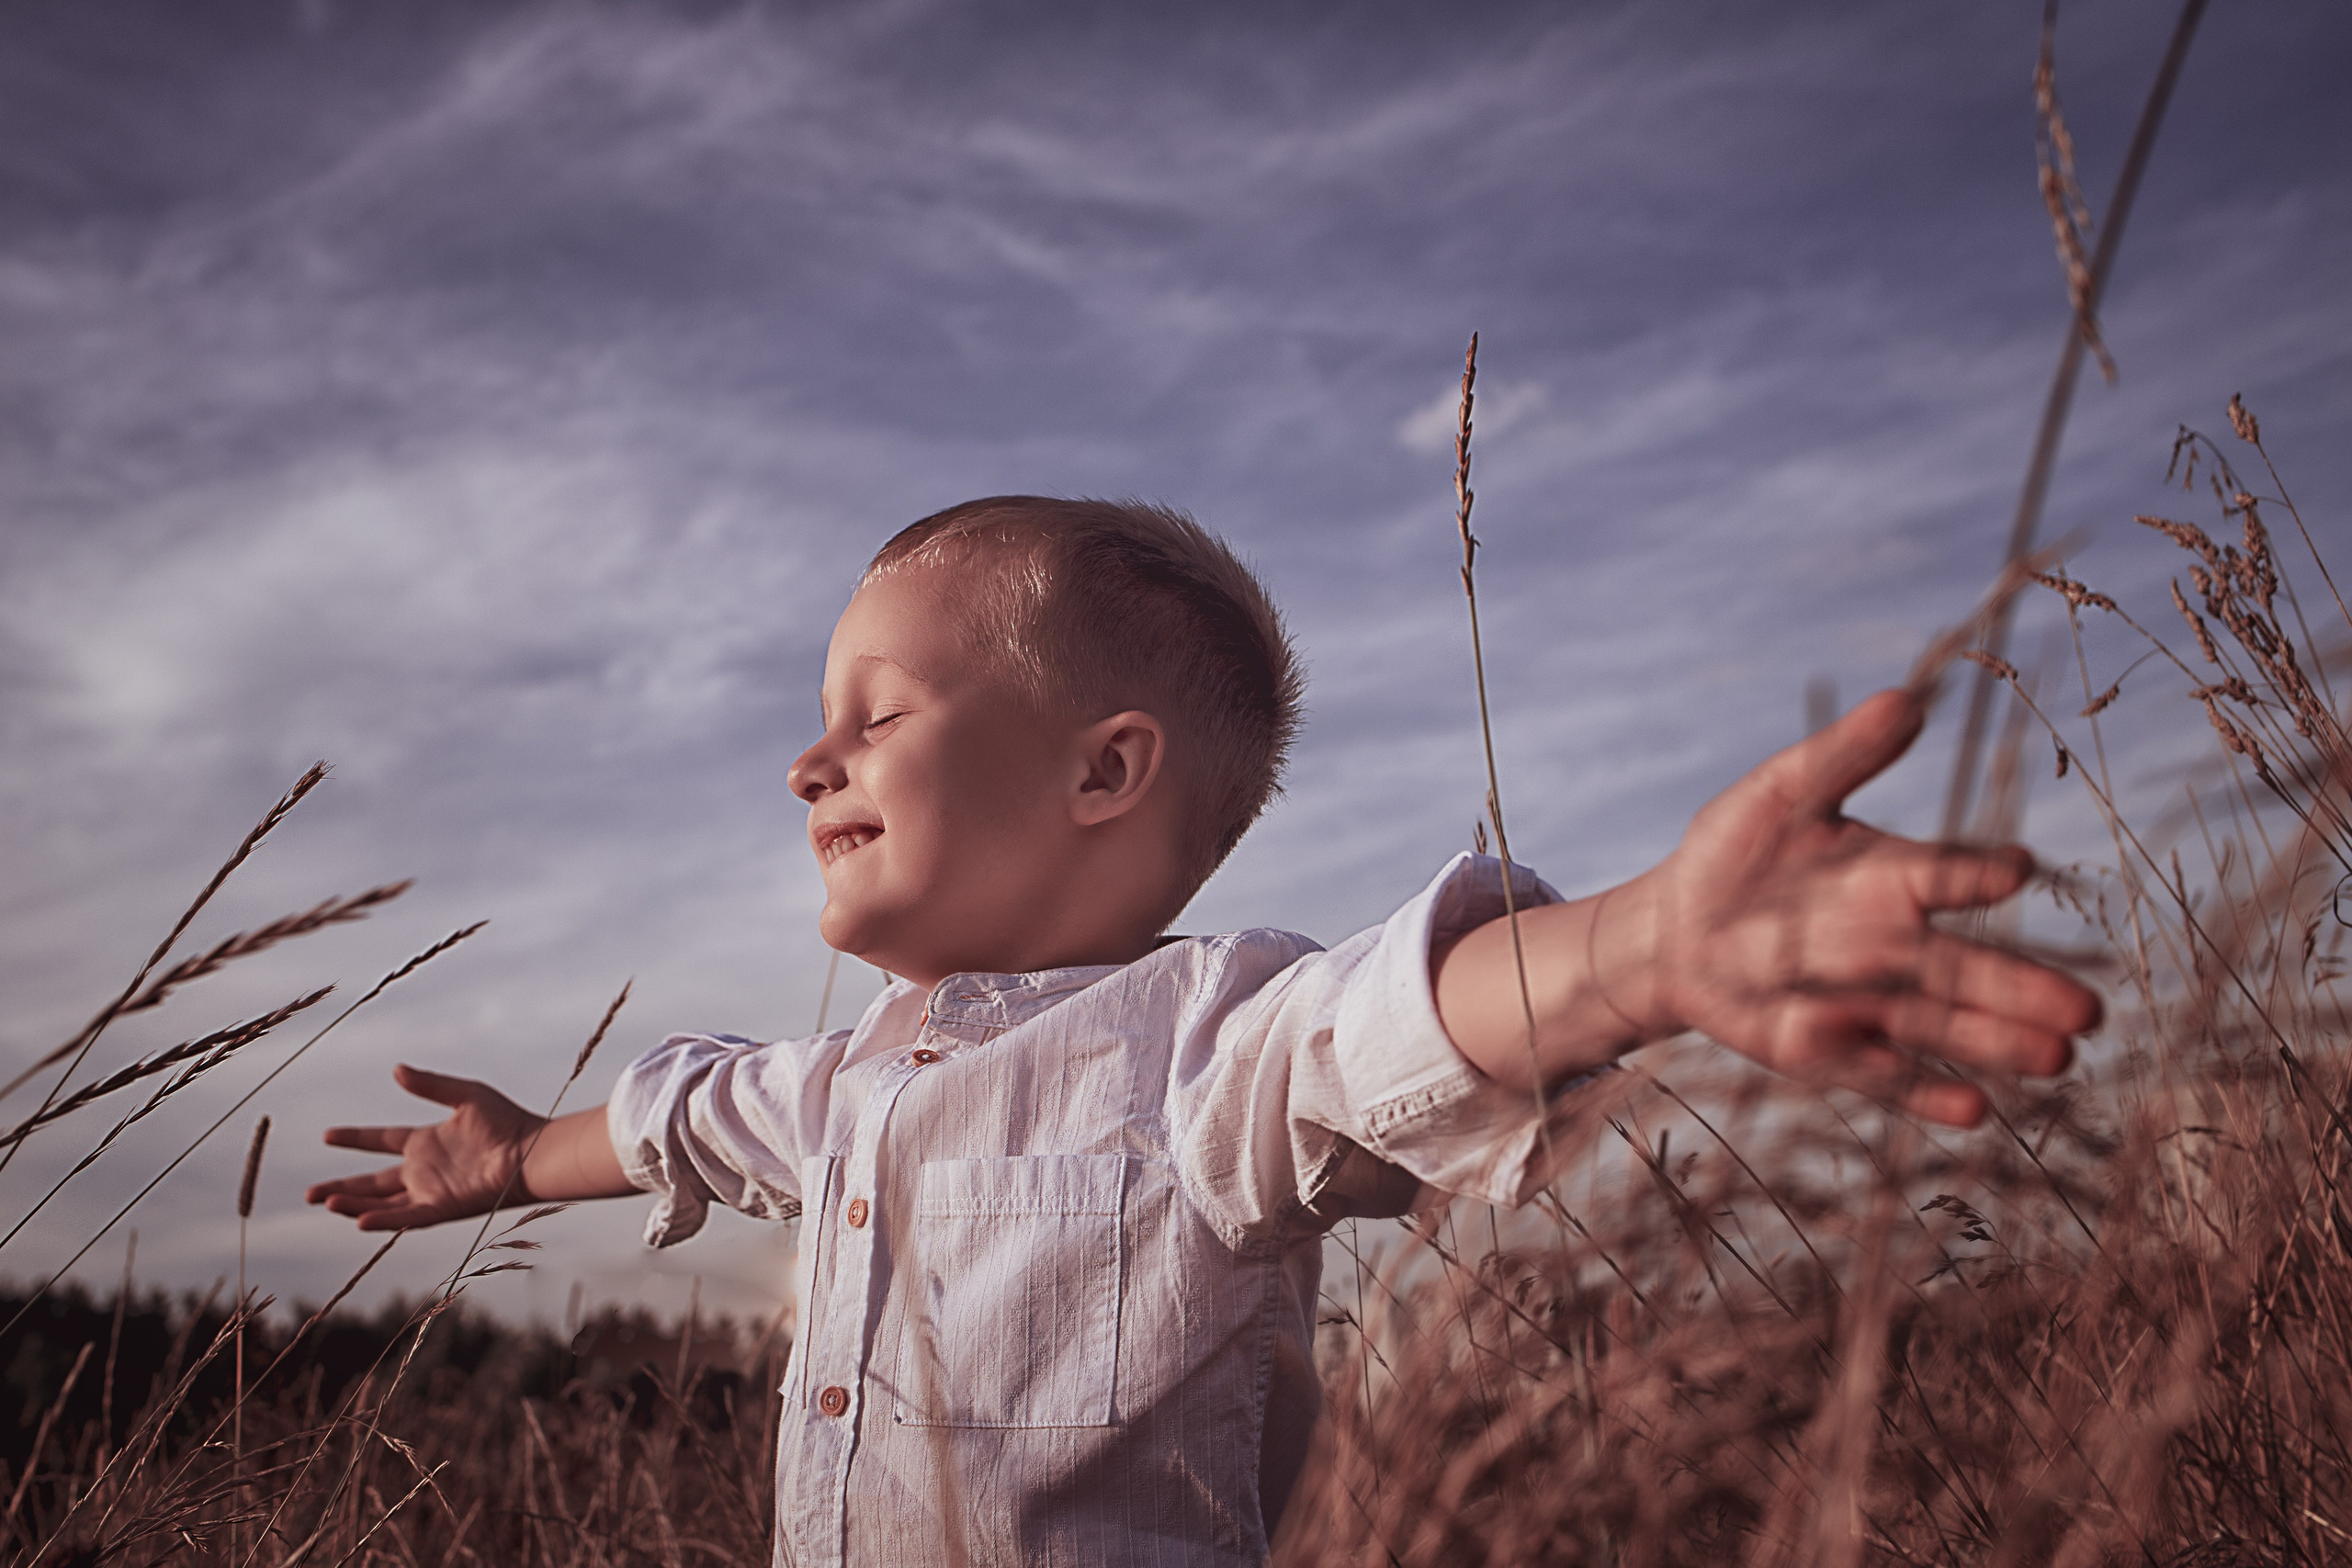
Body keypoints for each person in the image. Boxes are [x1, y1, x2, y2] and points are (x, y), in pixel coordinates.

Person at [305, 496, 2098, 1567]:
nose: (807, 757)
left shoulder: (1199, 1041)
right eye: (816, 719)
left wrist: (1638, 944)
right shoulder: (845, 1079)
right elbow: (685, 1114)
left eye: (876, 711)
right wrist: (502, 1159)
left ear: (1103, 769)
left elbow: (1384, 1027)